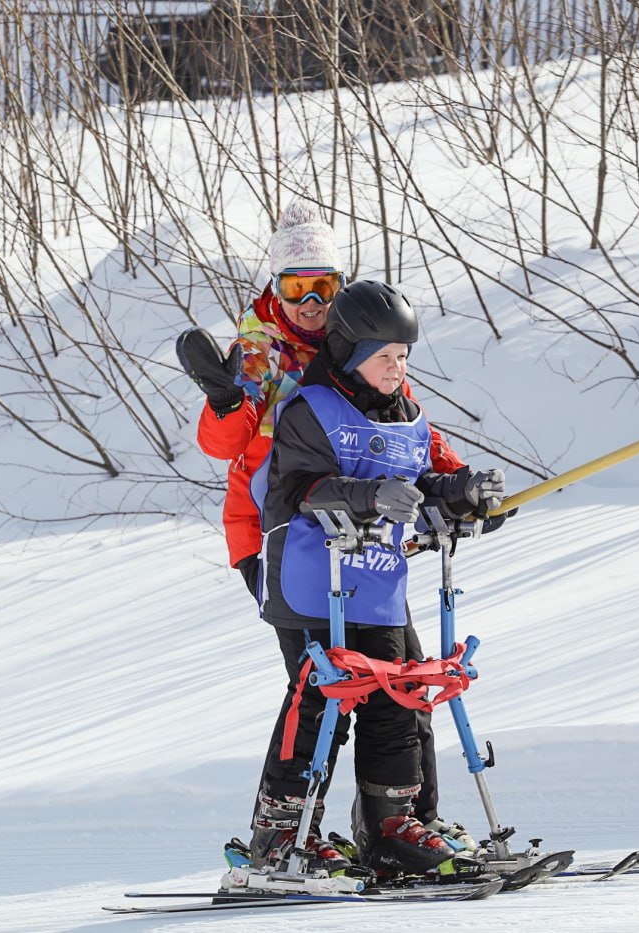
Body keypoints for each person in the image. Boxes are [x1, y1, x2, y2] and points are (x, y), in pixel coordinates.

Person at [175, 200, 475, 866]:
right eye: (295, 288)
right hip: (278, 532)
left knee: (402, 675)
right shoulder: (260, 349)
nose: (310, 303)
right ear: (275, 287)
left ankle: (401, 821)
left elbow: (406, 435)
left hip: (358, 540)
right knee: (325, 683)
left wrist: (453, 485)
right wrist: (227, 400)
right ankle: (284, 831)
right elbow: (223, 446)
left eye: (323, 287)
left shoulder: (362, 342)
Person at [254, 280, 506, 875]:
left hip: (379, 586)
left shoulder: (410, 419)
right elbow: (300, 489)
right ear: (350, 354)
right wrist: (368, 495)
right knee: (322, 701)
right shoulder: (308, 410)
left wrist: (463, 491)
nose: (398, 369)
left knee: (400, 698)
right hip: (315, 580)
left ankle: (390, 826)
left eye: (403, 357)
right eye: (385, 358)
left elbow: (423, 485)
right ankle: (282, 836)